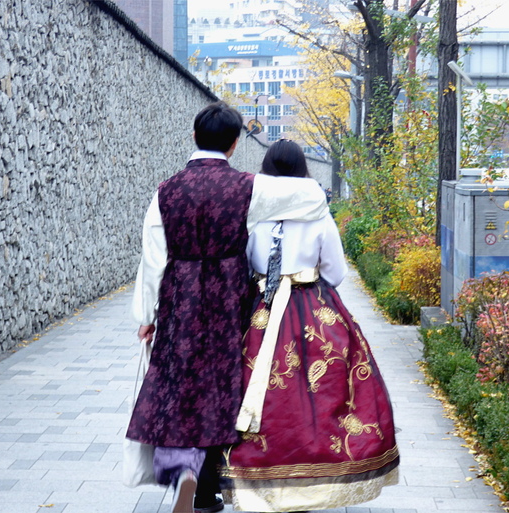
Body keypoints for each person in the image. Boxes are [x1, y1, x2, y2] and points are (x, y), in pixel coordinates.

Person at [126, 103, 329, 513]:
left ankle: (184, 470)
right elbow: (312, 198)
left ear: (193, 137)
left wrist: (146, 317)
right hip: (228, 299)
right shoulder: (247, 188)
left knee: (179, 384)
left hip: (180, 299)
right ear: (235, 144)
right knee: (225, 386)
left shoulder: (165, 191)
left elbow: (152, 260)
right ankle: (211, 482)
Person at [219, 140, 400, 512]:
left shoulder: (254, 211)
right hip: (313, 310)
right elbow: (336, 271)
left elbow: (245, 261)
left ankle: (256, 474)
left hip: (260, 310)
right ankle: (316, 472)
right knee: (321, 392)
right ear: (304, 168)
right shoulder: (318, 209)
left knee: (256, 390)